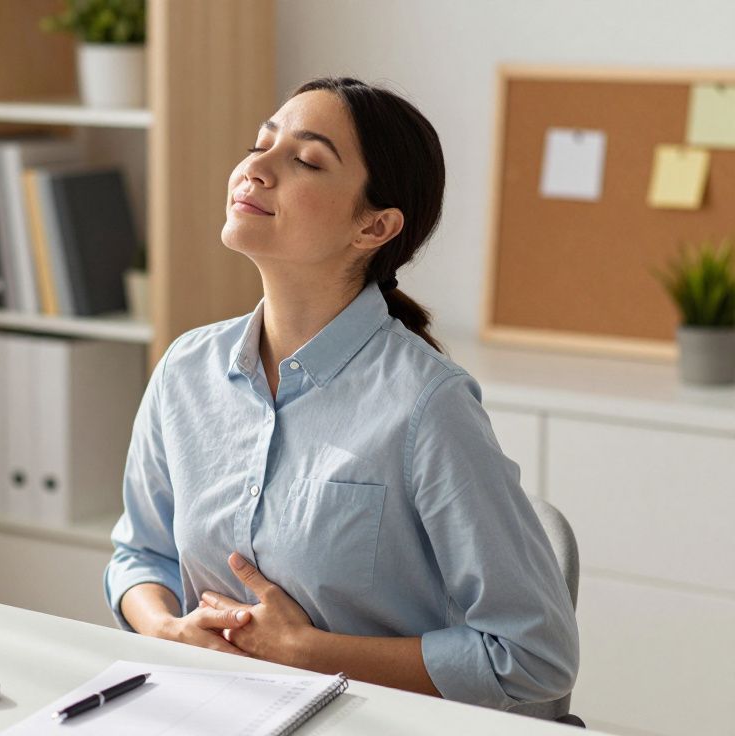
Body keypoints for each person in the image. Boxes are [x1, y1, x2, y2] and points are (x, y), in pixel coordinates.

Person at [103, 77, 578, 712]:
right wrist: (167, 629)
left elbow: (533, 655)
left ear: (373, 226)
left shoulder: (427, 404)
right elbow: (140, 555)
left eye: (305, 159)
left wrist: (308, 651)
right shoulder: (186, 370)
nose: (254, 168)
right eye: (260, 144)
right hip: (210, 710)